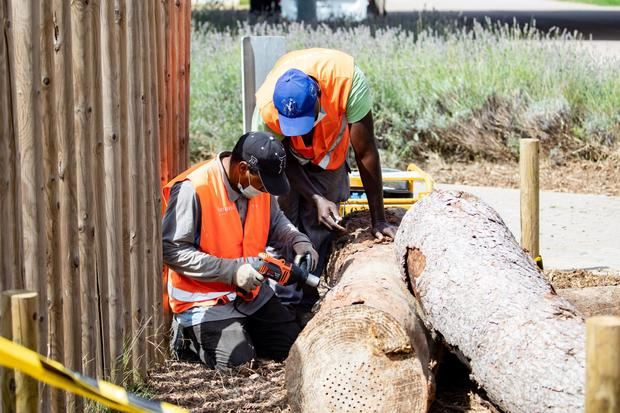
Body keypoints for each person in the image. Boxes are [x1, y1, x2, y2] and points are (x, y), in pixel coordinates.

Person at [252, 48, 397, 310]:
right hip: (286, 162)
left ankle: (307, 300)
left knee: (319, 227)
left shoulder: (347, 81)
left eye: (306, 121)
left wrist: (379, 219)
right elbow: (275, 158)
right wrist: (314, 197)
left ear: (319, 96)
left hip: (329, 158)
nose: (302, 132)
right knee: (281, 225)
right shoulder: (266, 107)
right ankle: (281, 305)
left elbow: (365, 152)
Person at [162, 131, 318, 369]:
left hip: (252, 296)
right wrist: (232, 272)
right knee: (239, 363)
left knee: (293, 348)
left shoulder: (258, 186)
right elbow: (172, 250)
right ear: (243, 168)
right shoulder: (194, 187)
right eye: (263, 184)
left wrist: (299, 241)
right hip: (206, 302)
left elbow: (277, 223)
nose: (266, 191)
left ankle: (244, 331)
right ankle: (186, 339)